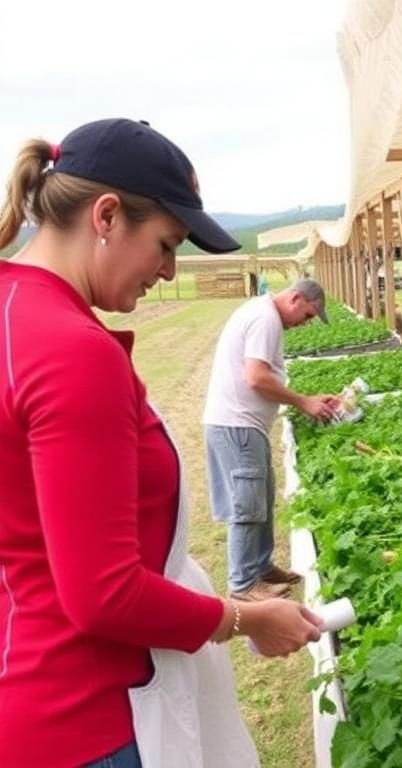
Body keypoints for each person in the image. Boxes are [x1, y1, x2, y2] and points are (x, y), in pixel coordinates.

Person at [0, 118, 323, 768]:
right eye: (166, 244)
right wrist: (244, 618)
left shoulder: (14, 308)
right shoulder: (71, 351)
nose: (170, 270)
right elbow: (105, 595)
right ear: (107, 216)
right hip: (90, 714)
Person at [202, 277, 339, 602]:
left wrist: (306, 399)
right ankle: (243, 584)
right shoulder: (265, 318)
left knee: (261, 497)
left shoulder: (265, 315)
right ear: (295, 298)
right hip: (237, 424)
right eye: (307, 315)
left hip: (245, 425)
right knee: (248, 504)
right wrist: (303, 402)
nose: (305, 323)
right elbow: (256, 377)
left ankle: (261, 567)